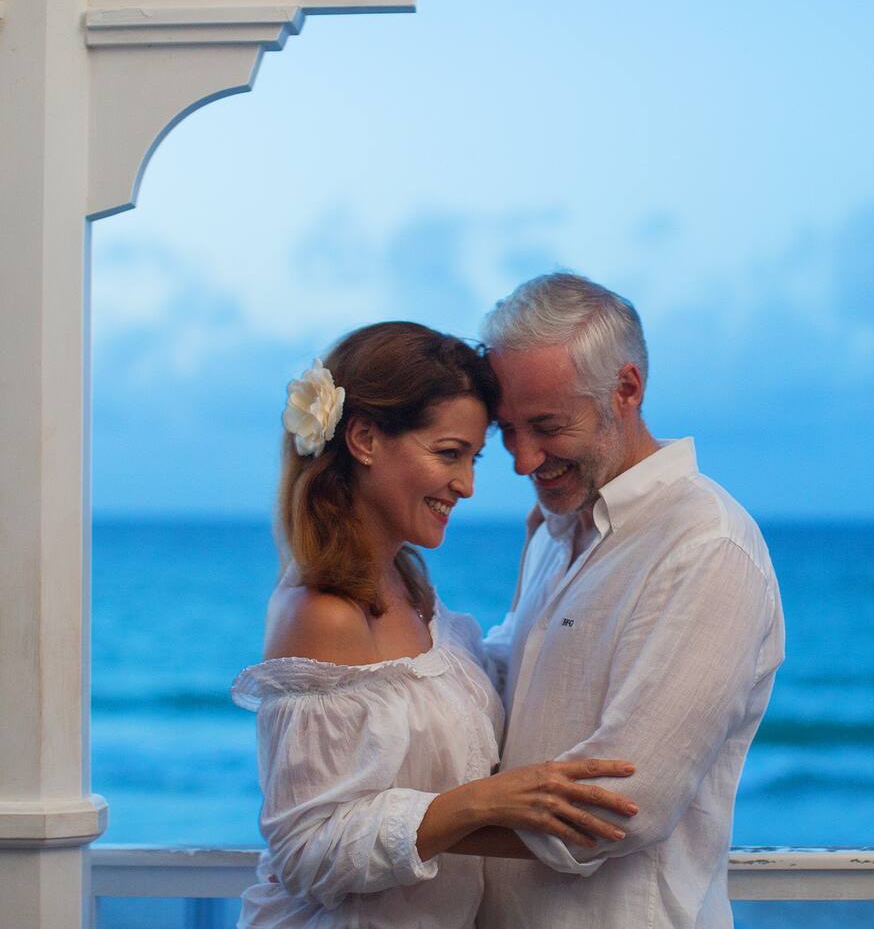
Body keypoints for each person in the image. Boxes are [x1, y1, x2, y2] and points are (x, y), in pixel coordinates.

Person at [231, 321, 641, 929]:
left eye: (474, 458)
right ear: (365, 439)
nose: (468, 485)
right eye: (449, 454)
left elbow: (480, 676)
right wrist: (480, 803)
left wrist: (554, 563)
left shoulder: (407, 586)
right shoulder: (323, 613)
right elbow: (304, 852)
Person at [475, 275, 786, 929]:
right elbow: (499, 701)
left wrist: (406, 829)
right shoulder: (554, 533)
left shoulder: (707, 546)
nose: (521, 459)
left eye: (546, 426)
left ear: (626, 389)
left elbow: (618, 805)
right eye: (506, 430)